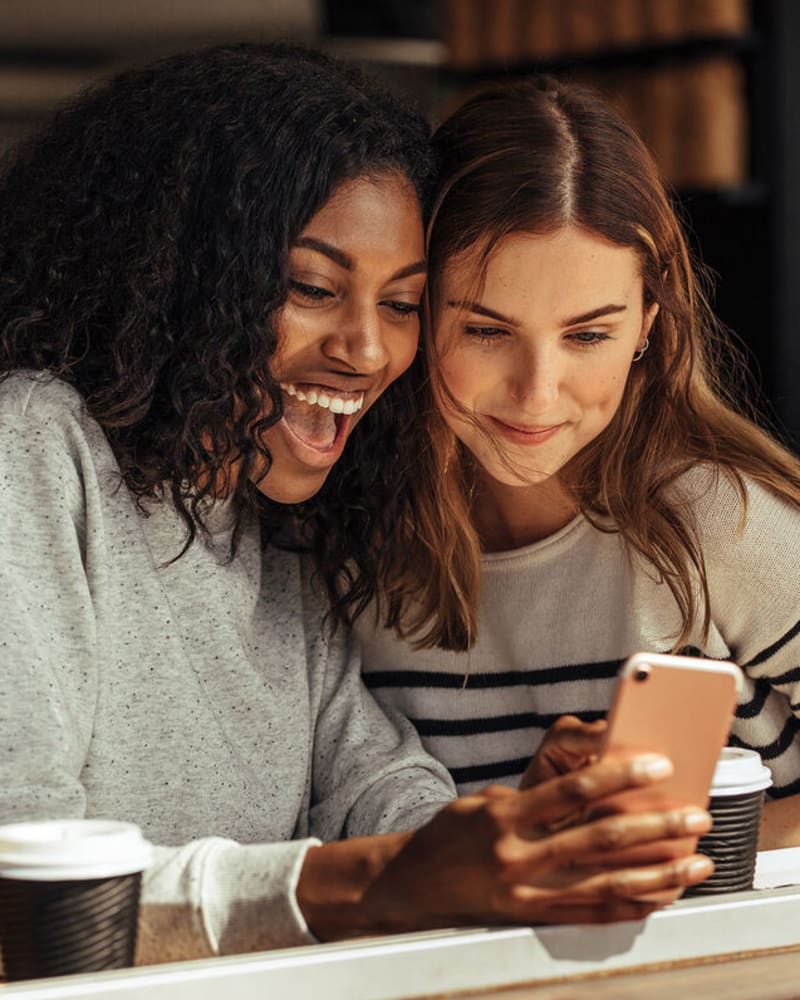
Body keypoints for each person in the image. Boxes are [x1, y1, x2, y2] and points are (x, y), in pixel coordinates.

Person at [0, 48, 714, 966]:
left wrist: (514, 834)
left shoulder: (275, 527)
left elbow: (372, 784)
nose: (368, 350)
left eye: (405, 303)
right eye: (312, 288)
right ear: (177, 274)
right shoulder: (34, 445)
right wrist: (377, 881)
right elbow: (23, 887)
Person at [356, 76, 800, 851]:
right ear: (415, 313)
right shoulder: (347, 547)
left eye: (588, 335)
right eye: (487, 331)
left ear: (647, 328)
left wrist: (690, 846)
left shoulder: (718, 525)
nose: (538, 394)